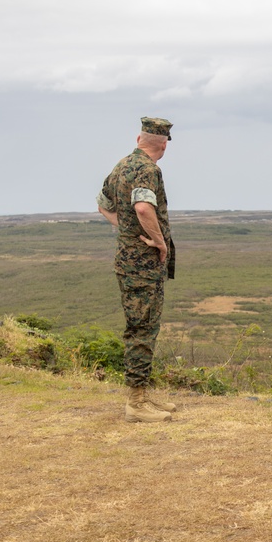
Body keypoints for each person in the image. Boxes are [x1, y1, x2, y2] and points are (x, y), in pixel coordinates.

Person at [97, 116, 177, 423]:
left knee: (141, 326)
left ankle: (141, 394)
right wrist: (159, 243)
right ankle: (136, 403)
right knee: (142, 328)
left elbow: (103, 203)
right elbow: (143, 208)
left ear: (139, 138)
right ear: (164, 144)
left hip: (128, 259)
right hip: (141, 264)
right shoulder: (147, 169)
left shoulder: (122, 165)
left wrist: (124, 227)